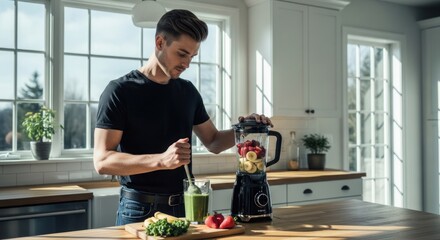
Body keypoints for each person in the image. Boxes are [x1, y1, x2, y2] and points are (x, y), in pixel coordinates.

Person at [93, 9, 273, 226]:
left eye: (192, 56)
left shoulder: (187, 91)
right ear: (160, 43)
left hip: (184, 206)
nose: (187, 64)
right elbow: (102, 161)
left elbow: (213, 141)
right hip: (139, 208)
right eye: (181, 53)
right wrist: (162, 160)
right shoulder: (119, 91)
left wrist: (245, 129)